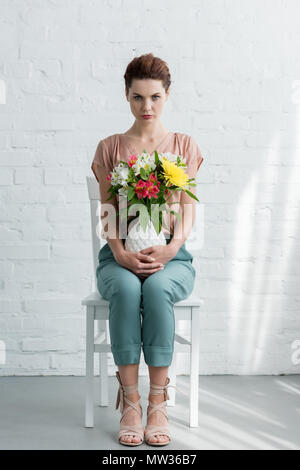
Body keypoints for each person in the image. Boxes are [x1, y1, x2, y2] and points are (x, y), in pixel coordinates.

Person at [91, 53, 204, 447]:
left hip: (173, 259)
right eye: (138, 97)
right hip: (119, 257)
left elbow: (188, 209)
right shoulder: (110, 148)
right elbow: (108, 213)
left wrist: (172, 249)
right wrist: (120, 253)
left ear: (167, 95)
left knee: (155, 290)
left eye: (154, 97)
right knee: (126, 289)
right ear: (126, 96)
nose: (147, 107)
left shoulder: (184, 146)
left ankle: (158, 401)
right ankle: (131, 401)